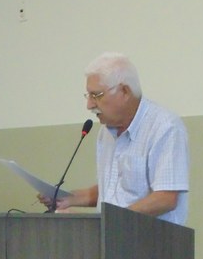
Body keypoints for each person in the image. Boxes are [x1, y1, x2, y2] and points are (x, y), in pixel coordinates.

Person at [39, 52, 189, 224]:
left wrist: (111, 221)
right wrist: (68, 198)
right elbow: (112, 190)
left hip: (152, 238)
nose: (89, 105)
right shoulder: (106, 132)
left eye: (96, 95)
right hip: (112, 236)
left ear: (124, 91)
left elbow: (166, 198)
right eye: (88, 95)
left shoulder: (165, 127)